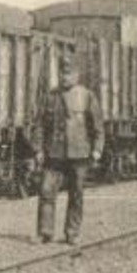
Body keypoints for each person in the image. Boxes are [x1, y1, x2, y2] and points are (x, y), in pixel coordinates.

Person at [36, 54, 104, 245]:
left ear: (77, 75)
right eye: (62, 73)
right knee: (46, 190)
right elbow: (40, 125)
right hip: (54, 153)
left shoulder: (87, 96)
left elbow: (97, 126)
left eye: (69, 73)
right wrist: (39, 149)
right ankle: (46, 231)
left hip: (79, 153)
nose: (65, 77)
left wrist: (97, 149)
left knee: (76, 194)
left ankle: (72, 232)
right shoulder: (50, 97)